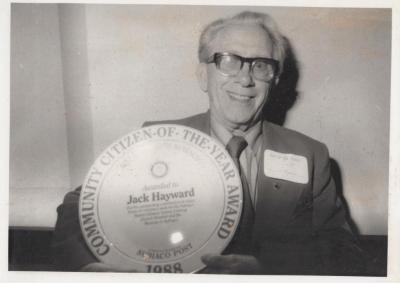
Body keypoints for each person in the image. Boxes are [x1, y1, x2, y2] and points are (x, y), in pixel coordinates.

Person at [52, 11, 366, 274]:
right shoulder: (157, 141)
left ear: (276, 80)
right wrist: (89, 268)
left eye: (260, 65)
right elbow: (75, 209)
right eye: (229, 61)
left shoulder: (309, 155)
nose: (245, 79)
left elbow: (343, 249)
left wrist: (267, 267)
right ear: (203, 75)